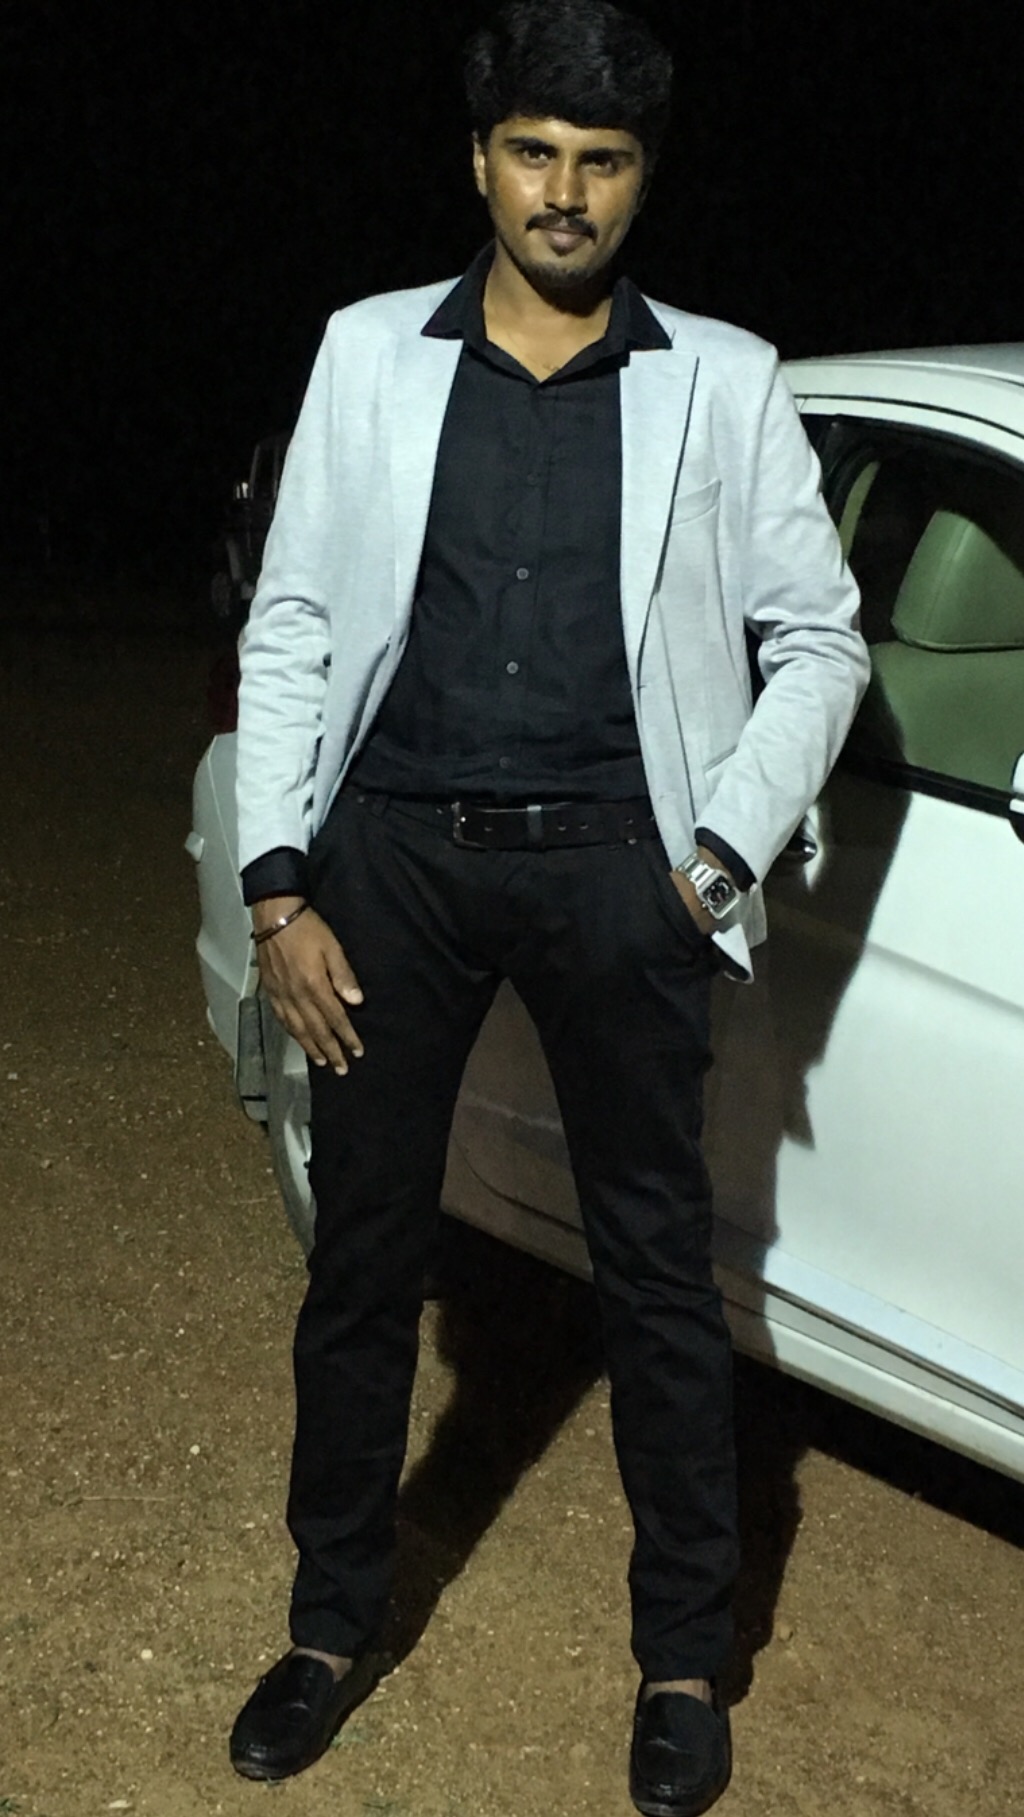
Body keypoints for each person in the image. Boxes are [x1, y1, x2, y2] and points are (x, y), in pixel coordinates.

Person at [228, 3, 868, 1810]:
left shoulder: (723, 378)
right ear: (481, 161)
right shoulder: (369, 352)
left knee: (656, 1275)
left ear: (641, 179)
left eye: (601, 161)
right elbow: (294, 622)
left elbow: (821, 640)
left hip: (619, 868)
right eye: (534, 152)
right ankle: (328, 1623)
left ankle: (683, 1660)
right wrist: (280, 888)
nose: (564, 193)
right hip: (395, 861)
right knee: (367, 1263)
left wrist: (715, 857)